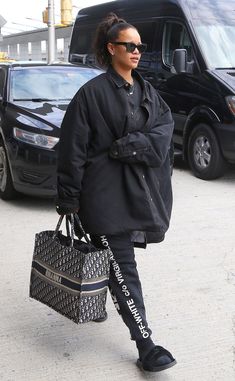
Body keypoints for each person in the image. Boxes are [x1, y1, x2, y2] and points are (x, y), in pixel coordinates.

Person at [56, 12, 176, 373]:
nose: (137, 51)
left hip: (134, 193)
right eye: (130, 45)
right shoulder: (90, 95)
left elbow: (164, 128)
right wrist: (69, 200)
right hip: (102, 197)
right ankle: (146, 345)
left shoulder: (145, 89)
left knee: (115, 264)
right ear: (112, 49)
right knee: (124, 268)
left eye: (140, 46)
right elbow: (71, 150)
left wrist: (133, 146)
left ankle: (109, 301)